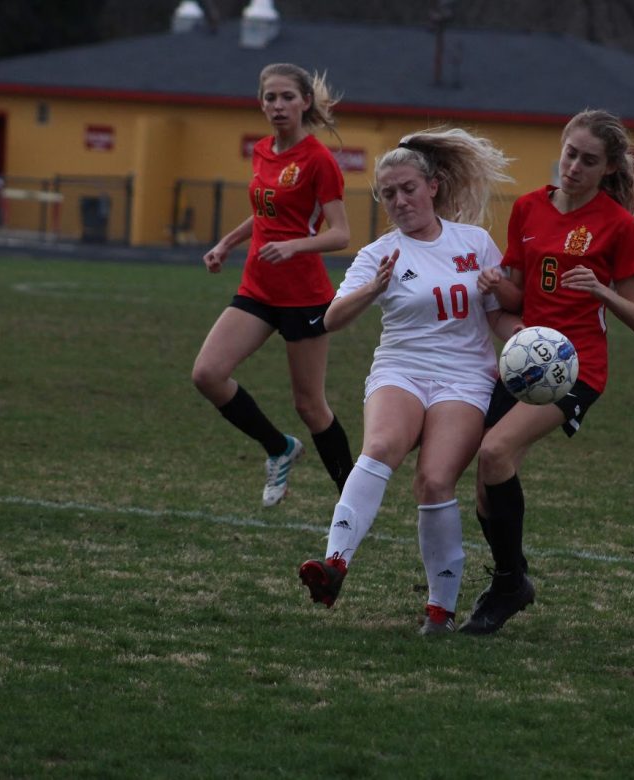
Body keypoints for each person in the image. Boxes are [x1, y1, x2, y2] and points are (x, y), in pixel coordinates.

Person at [297, 127, 520, 635]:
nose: (399, 201)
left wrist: (515, 316)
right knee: (379, 448)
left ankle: (439, 612)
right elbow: (332, 318)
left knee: (435, 480)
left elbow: (501, 311)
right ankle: (334, 565)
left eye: (407, 189)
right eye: (388, 194)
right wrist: (372, 289)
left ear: (434, 186)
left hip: (465, 377)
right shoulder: (379, 255)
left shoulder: (475, 242)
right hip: (401, 368)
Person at [462, 108, 634, 635]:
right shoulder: (527, 208)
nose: (574, 167)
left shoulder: (618, 225)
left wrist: (602, 290)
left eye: (589, 161)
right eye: (570, 153)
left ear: (609, 168)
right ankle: (511, 580)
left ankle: (507, 584)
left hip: (576, 366)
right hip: (526, 356)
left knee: (495, 452)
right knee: (485, 480)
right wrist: (497, 284)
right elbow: (520, 292)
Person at [192, 63, 354, 507]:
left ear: (305, 102)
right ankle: (279, 448)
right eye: (270, 98)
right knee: (207, 374)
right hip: (258, 288)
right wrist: (227, 242)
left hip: (303, 296)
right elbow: (266, 212)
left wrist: (295, 247)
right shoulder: (263, 150)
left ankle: (355, 499)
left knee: (310, 406)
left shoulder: (319, 160)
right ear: (260, 102)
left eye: (287, 97)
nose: (278, 106)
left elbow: (341, 234)